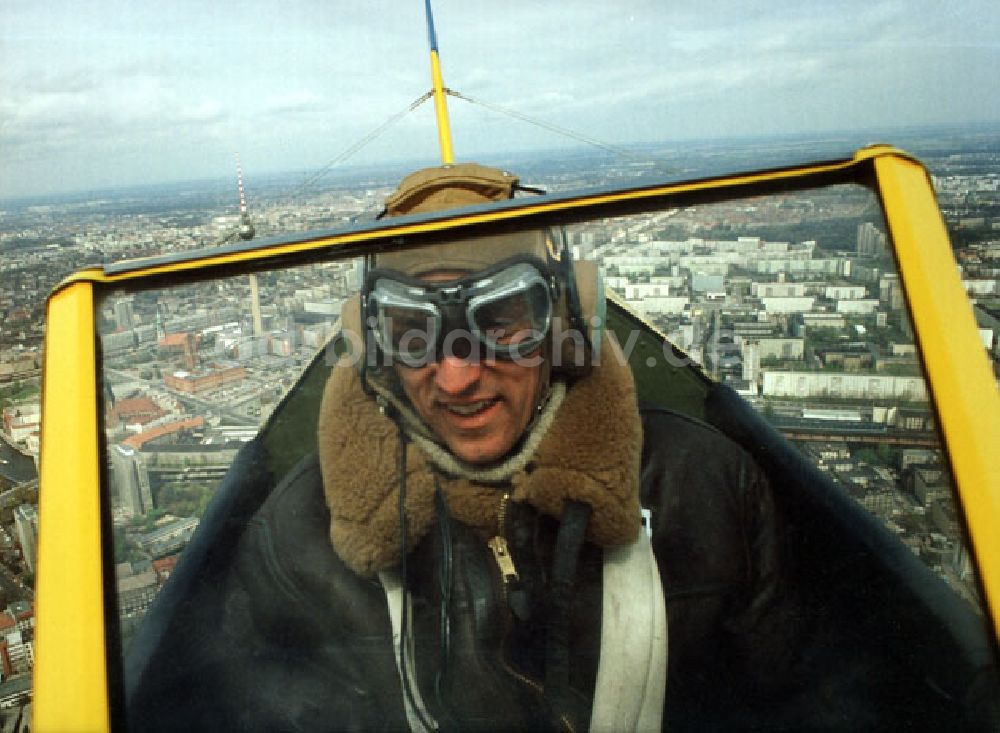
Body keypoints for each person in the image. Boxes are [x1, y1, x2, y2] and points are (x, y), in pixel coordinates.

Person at [125, 163, 997, 732]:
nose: (459, 378)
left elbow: (802, 707)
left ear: (568, 327)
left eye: (502, 318)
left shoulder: (707, 490)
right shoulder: (296, 542)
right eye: (414, 332)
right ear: (377, 353)